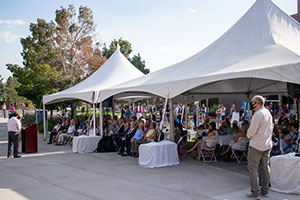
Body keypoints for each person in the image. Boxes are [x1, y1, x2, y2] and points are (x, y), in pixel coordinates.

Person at [246, 95, 273, 198]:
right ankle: (265, 190)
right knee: (265, 168)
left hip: (256, 145)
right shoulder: (268, 113)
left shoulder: (258, 114)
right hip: (266, 144)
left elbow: (252, 130)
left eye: (253, 102)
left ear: (256, 103)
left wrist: (248, 135)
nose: (251, 104)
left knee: (253, 168)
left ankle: (255, 191)